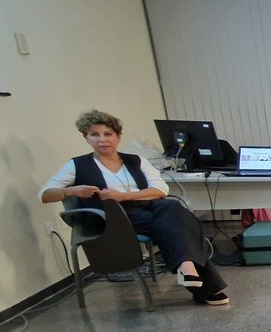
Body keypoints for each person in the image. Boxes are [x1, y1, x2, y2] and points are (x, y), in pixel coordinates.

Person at [40, 110, 229, 305]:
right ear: (86, 138)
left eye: (108, 134)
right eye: (94, 134)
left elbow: (160, 189)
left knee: (172, 208)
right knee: (180, 225)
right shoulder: (77, 165)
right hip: (112, 216)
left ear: (118, 137)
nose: (102, 140)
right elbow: (45, 195)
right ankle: (198, 279)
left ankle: (187, 266)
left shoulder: (136, 161)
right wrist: (72, 191)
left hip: (146, 208)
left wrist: (125, 195)